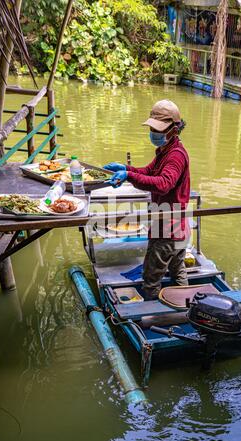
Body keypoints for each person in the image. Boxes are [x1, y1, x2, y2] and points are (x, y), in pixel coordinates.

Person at [104, 100, 190, 300]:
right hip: (177, 224)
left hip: (167, 226)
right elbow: (149, 171)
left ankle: (152, 315)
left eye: (158, 129)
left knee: (151, 277)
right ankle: (185, 306)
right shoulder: (166, 150)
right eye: (152, 128)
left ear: (174, 129)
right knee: (178, 269)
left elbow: (163, 183)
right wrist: (127, 170)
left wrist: (129, 177)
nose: (154, 132)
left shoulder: (176, 155)